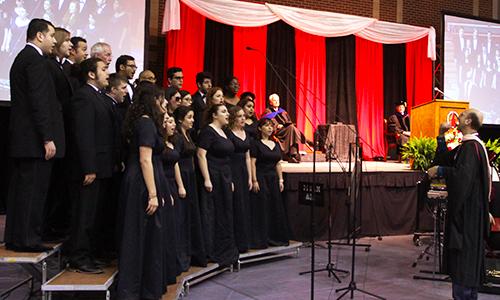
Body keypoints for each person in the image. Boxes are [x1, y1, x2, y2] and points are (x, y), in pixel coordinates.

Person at [5, 18, 64, 253]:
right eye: (51, 35)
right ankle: (28, 239)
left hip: (23, 139)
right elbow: (39, 103)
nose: (53, 40)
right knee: (33, 191)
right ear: (39, 36)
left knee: (21, 191)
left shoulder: (22, 57)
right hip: (33, 141)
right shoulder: (35, 60)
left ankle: (16, 237)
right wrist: (47, 138)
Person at [428, 109, 492, 300]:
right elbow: (472, 178)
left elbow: (462, 179)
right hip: (473, 212)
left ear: (469, 122)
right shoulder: (471, 146)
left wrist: (441, 170)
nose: (459, 117)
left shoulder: (471, 148)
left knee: (463, 264)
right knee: (468, 266)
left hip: (466, 218)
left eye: (463, 115)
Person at [117, 83, 168, 299]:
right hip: (142, 182)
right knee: (140, 234)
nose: (162, 103)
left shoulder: (140, 121)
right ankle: (139, 289)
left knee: (143, 234)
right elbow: (145, 160)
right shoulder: (146, 123)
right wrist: (154, 194)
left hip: (140, 178)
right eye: (159, 99)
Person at [66, 57, 114, 274]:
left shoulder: (99, 97)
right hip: (90, 169)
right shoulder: (84, 97)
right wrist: (89, 167)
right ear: (92, 74)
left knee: (94, 215)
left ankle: (90, 253)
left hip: (103, 167)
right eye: (104, 69)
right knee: (84, 215)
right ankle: (78, 256)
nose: (107, 73)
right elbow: (83, 135)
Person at [197, 104, 239, 266]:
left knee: (225, 212)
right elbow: (201, 154)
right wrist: (207, 178)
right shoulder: (208, 131)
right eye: (223, 111)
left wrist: (231, 180)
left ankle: (225, 249)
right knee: (213, 212)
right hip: (213, 175)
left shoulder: (225, 132)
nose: (227, 114)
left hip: (225, 176)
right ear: (214, 115)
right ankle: (211, 249)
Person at [43, 27, 74, 242]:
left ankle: (52, 225)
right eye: (67, 41)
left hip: (63, 131)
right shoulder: (49, 65)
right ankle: (46, 226)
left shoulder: (63, 68)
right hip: (55, 129)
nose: (69, 45)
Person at [173, 105, 207, 267]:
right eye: (189, 117)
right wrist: (180, 185)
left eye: (193, 117)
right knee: (181, 217)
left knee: (190, 216)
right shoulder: (178, 137)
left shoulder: (188, 135)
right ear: (180, 119)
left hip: (191, 177)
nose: (193, 120)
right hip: (182, 179)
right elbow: (176, 163)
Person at [250, 118, 290, 248]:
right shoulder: (256, 144)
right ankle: (262, 238)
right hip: (261, 177)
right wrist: (254, 179)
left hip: (273, 178)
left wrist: (281, 179)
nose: (269, 128)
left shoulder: (276, 144)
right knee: (263, 206)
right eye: (266, 126)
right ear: (260, 128)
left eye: (271, 126)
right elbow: (253, 163)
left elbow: (278, 163)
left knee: (275, 206)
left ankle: (275, 237)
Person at [226, 106, 252, 253]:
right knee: (236, 206)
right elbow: (228, 158)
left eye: (244, 116)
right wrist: (230, 179)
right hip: (233, 171)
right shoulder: (229, 134)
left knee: (244, 206)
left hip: (243, 171)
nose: (243, 119)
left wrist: (249, 177)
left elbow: (248, 157)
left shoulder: (246, 133)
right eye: (240, 116)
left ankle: (245, 241)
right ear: (233, 118)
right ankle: (236, 243)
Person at [161, 113, 181, 284]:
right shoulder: (159, 144)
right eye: (167, 121)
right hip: (163, 184)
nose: (172, 124)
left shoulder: (172, 142)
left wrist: (180, 186)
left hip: (173, 184)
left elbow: (176, 166)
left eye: (173, 121)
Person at [263, 93, 307, 163]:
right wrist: (277, 126)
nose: (277, 101)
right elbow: (267, 123)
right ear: (270, 102)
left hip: (286, 130)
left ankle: (293, 154)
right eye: (275, 100)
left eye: (278, 100)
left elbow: (289, 121)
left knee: (291, 128)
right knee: (292, 129)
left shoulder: (283, 112)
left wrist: (286, 124)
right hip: (277, 131)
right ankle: (294, 152)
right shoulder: (268, 112)